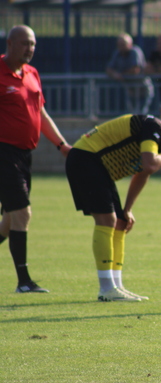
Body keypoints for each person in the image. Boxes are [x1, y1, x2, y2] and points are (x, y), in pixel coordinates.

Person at [65, 114, 161, 302]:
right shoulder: (154, 127)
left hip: (98, 166)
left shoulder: (157, 140)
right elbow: (150, 165)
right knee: (107, 221)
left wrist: (127, 209)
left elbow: (143, 172)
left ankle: (116, 286)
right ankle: (106, 288)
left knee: (120, 222)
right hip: (86, 159)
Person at [0, 25, 72, 293]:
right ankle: (24, 282)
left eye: (33, 44)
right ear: (9, 43)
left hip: (24, 155)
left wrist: (62, 144)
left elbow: (40, 114)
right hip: (3, 153)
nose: (29, 48)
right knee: (22, 213)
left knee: (9, 220)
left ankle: (24, 280)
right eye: (24, 43)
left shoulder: (32, 74)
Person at [106, 33, 154, 115]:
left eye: (123, 44)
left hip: (143, 90)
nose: (121, 47)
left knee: (142, 115)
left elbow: (135, 70)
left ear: (130, 44)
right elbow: (109, 69)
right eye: (119, 45)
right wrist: (115, 74)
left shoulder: (135, 52)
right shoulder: (117, 53)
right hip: (131, 91)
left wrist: (121, 75)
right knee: (131, 116)